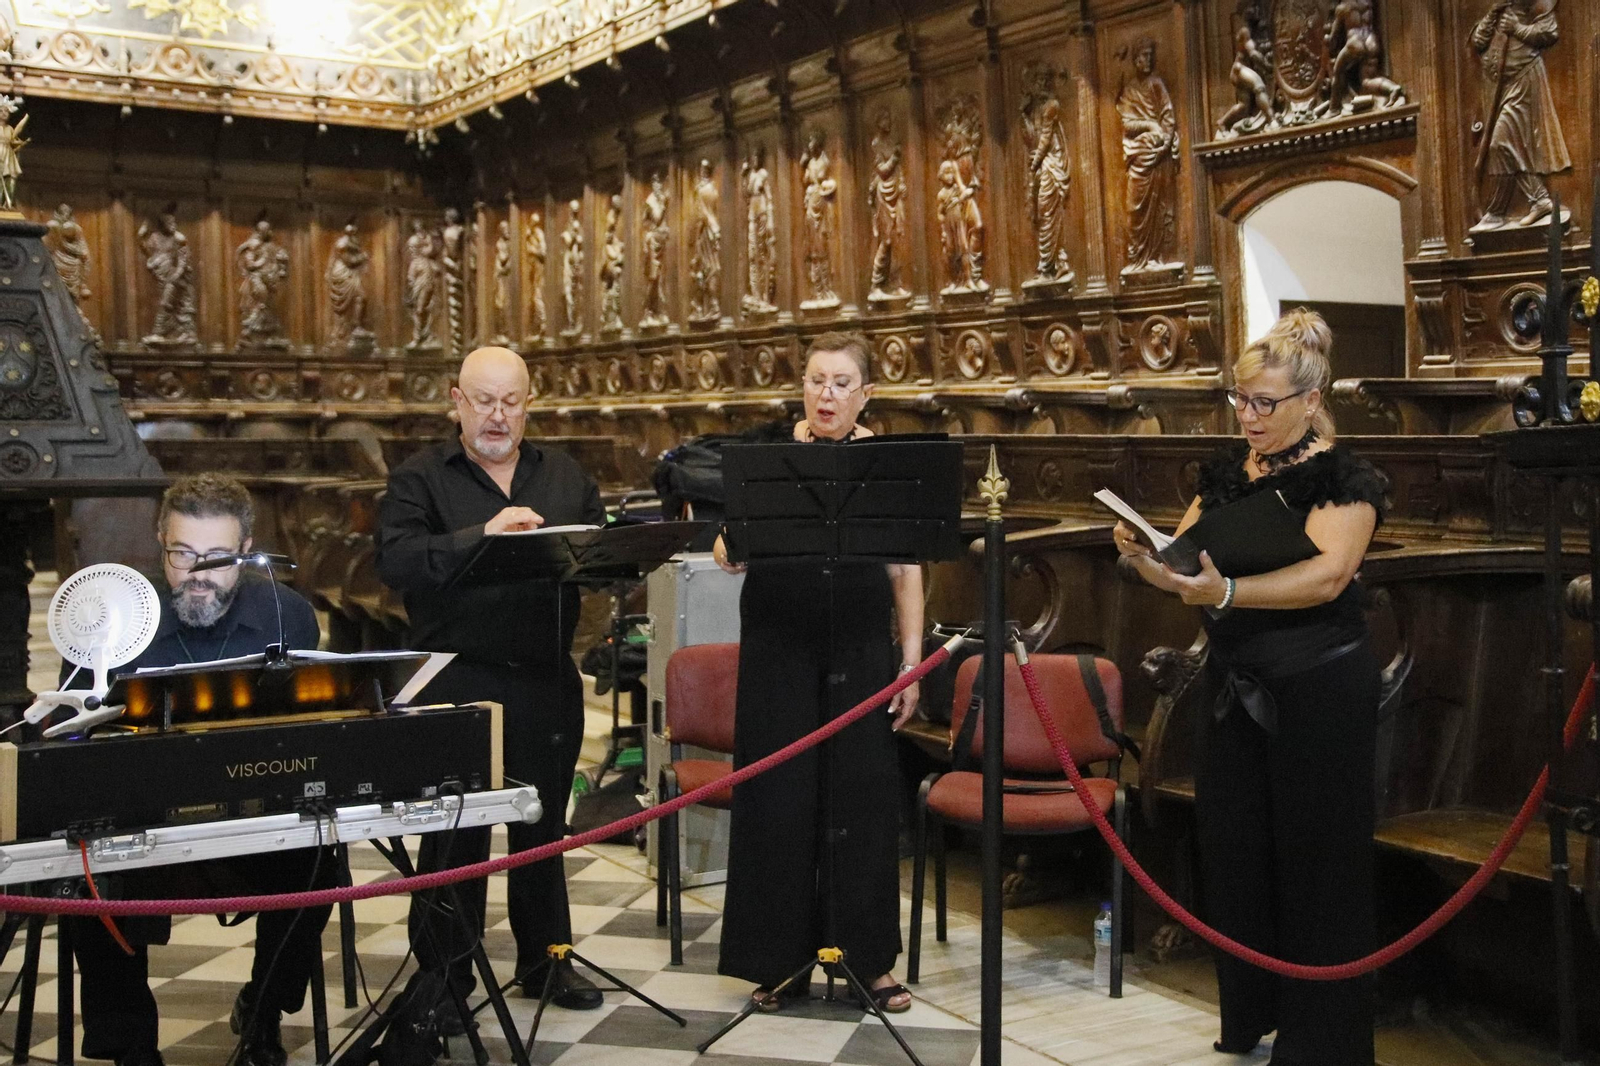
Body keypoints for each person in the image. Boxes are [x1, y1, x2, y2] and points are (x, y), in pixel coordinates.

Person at [1112, 309, 1387, 1066]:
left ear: (1312, 398)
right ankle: (1250, 1014)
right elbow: (1188, 569)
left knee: (1317, 864)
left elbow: (1328, 576)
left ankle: (1322, 1042)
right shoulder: (1232, 473)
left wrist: (1227, 593)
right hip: (1236, 685)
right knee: (1236, 853)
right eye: (1240, 399)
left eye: (1265, 402)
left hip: (1318, 690)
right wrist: (1142, 555)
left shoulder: (1346, 478)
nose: (1249, 415)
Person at [66, 473, 330, 1066]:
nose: (198, 575)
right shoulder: (109, 616)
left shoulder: (287, 616)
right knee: (86, 875)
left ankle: (264, 1010)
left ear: (246, 550)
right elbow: (73, 742)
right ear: (160, 541)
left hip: (253, 822)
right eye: (182, 554)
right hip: (143, 829)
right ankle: (130, 1047)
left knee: (320, 859)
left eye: (217, 558)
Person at [375, 345, 607, 1014]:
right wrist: (484, 533)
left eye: (511, 402)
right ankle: (445, 980)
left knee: (542, 828)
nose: (497, 416)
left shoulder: (563, 475)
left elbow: (593, 552)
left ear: (529, 404)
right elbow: (397, 561)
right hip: (457, 678)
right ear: (457, 402)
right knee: (454, 835)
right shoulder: (420, 479)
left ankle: (547, 961)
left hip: (543, 677)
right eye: (483, 401)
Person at [713, 332, 922, 1015]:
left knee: (861, 803)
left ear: (866, 395)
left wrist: (910, 664)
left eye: (840, 383)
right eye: (815, 381)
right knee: (778, 801)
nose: (825, 395)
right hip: (779, 649)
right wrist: (729, 547)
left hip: (859, 652)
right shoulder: (769, 456)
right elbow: (728, 545)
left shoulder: (884, 466)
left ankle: (868, 961)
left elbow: (905, 571)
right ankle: (778, 961)